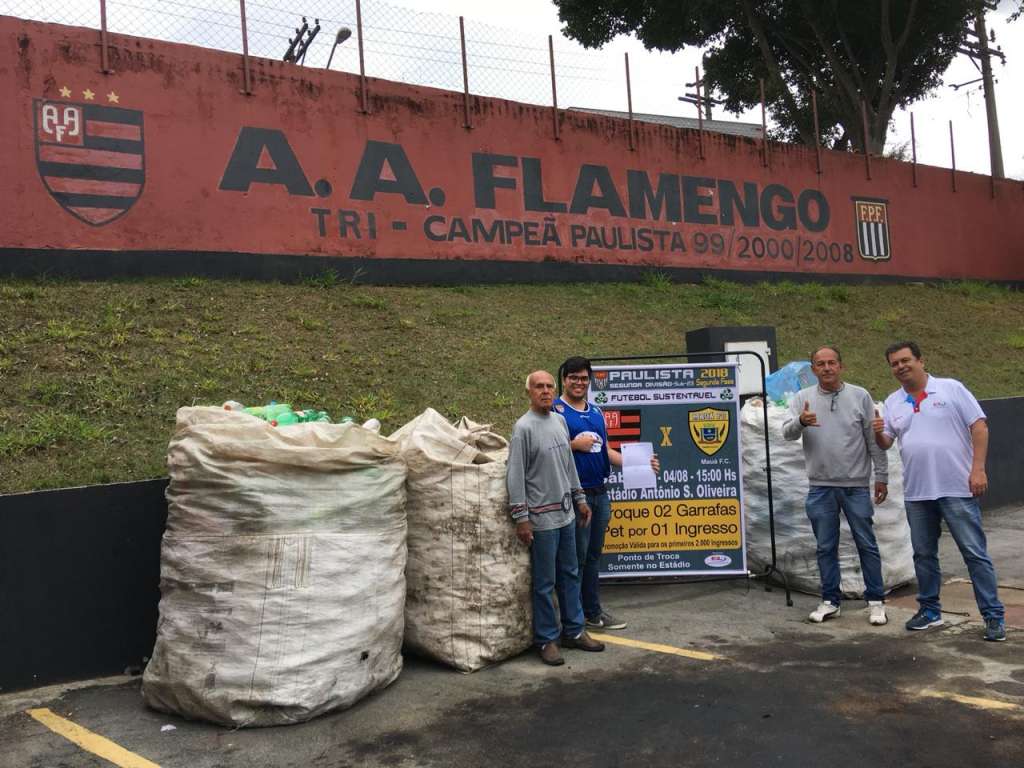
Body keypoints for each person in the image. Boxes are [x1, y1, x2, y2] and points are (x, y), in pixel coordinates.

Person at [873, 341, 1006, 641]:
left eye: (905, 360)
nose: (901, 367)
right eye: (894, 363)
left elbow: (980, 426)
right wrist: (877, 431)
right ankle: (930, 611)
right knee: (923, 555)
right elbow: (886, 442)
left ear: (920, 360)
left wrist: (978, 469)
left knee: (974, 553)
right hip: (917, 493)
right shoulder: (893, 401)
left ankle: (993, 616)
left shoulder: (950, 389)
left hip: (956, 487)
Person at [782, 345, 889, 626]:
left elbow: (873, 440)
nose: (827, 368)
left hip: (855, 486)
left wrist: (882, 476)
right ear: (813, 369)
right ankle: (830, 601)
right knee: (825, 547)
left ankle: (876, 601)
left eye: (832, 363)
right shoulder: (802, 398)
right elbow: (786, 434)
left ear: (840, 366)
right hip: (820, 487)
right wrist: (801, 422)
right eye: (820, 364)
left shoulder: (860, 396)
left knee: (866, 544)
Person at [507, 370, 606, 666]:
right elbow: (515, 477)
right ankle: (547, 639)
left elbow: (568, 466)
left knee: (571, 573)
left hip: (566, 515)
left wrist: (579, 499)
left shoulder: (560, 421)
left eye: (550, 386)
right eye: (539, 386)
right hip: (541, 519)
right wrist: (521, 518)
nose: (546, 391)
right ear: (529, 392)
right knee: (544, 581)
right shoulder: (523, 428)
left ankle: (574, 631)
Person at [555, 356, 659, 632]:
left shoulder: (597, 411)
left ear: (589, 381)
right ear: (563, 380)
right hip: (574, 496)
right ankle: (572, 618)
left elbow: (606, 451)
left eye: (584, 378)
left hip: (601, 494)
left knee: (592, 556)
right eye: (573, 377)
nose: (579, 382)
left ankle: (592, 612)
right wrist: (573, 444)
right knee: (574, 559)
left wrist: (640, 463)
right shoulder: (555, 411)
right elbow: (545, 451)